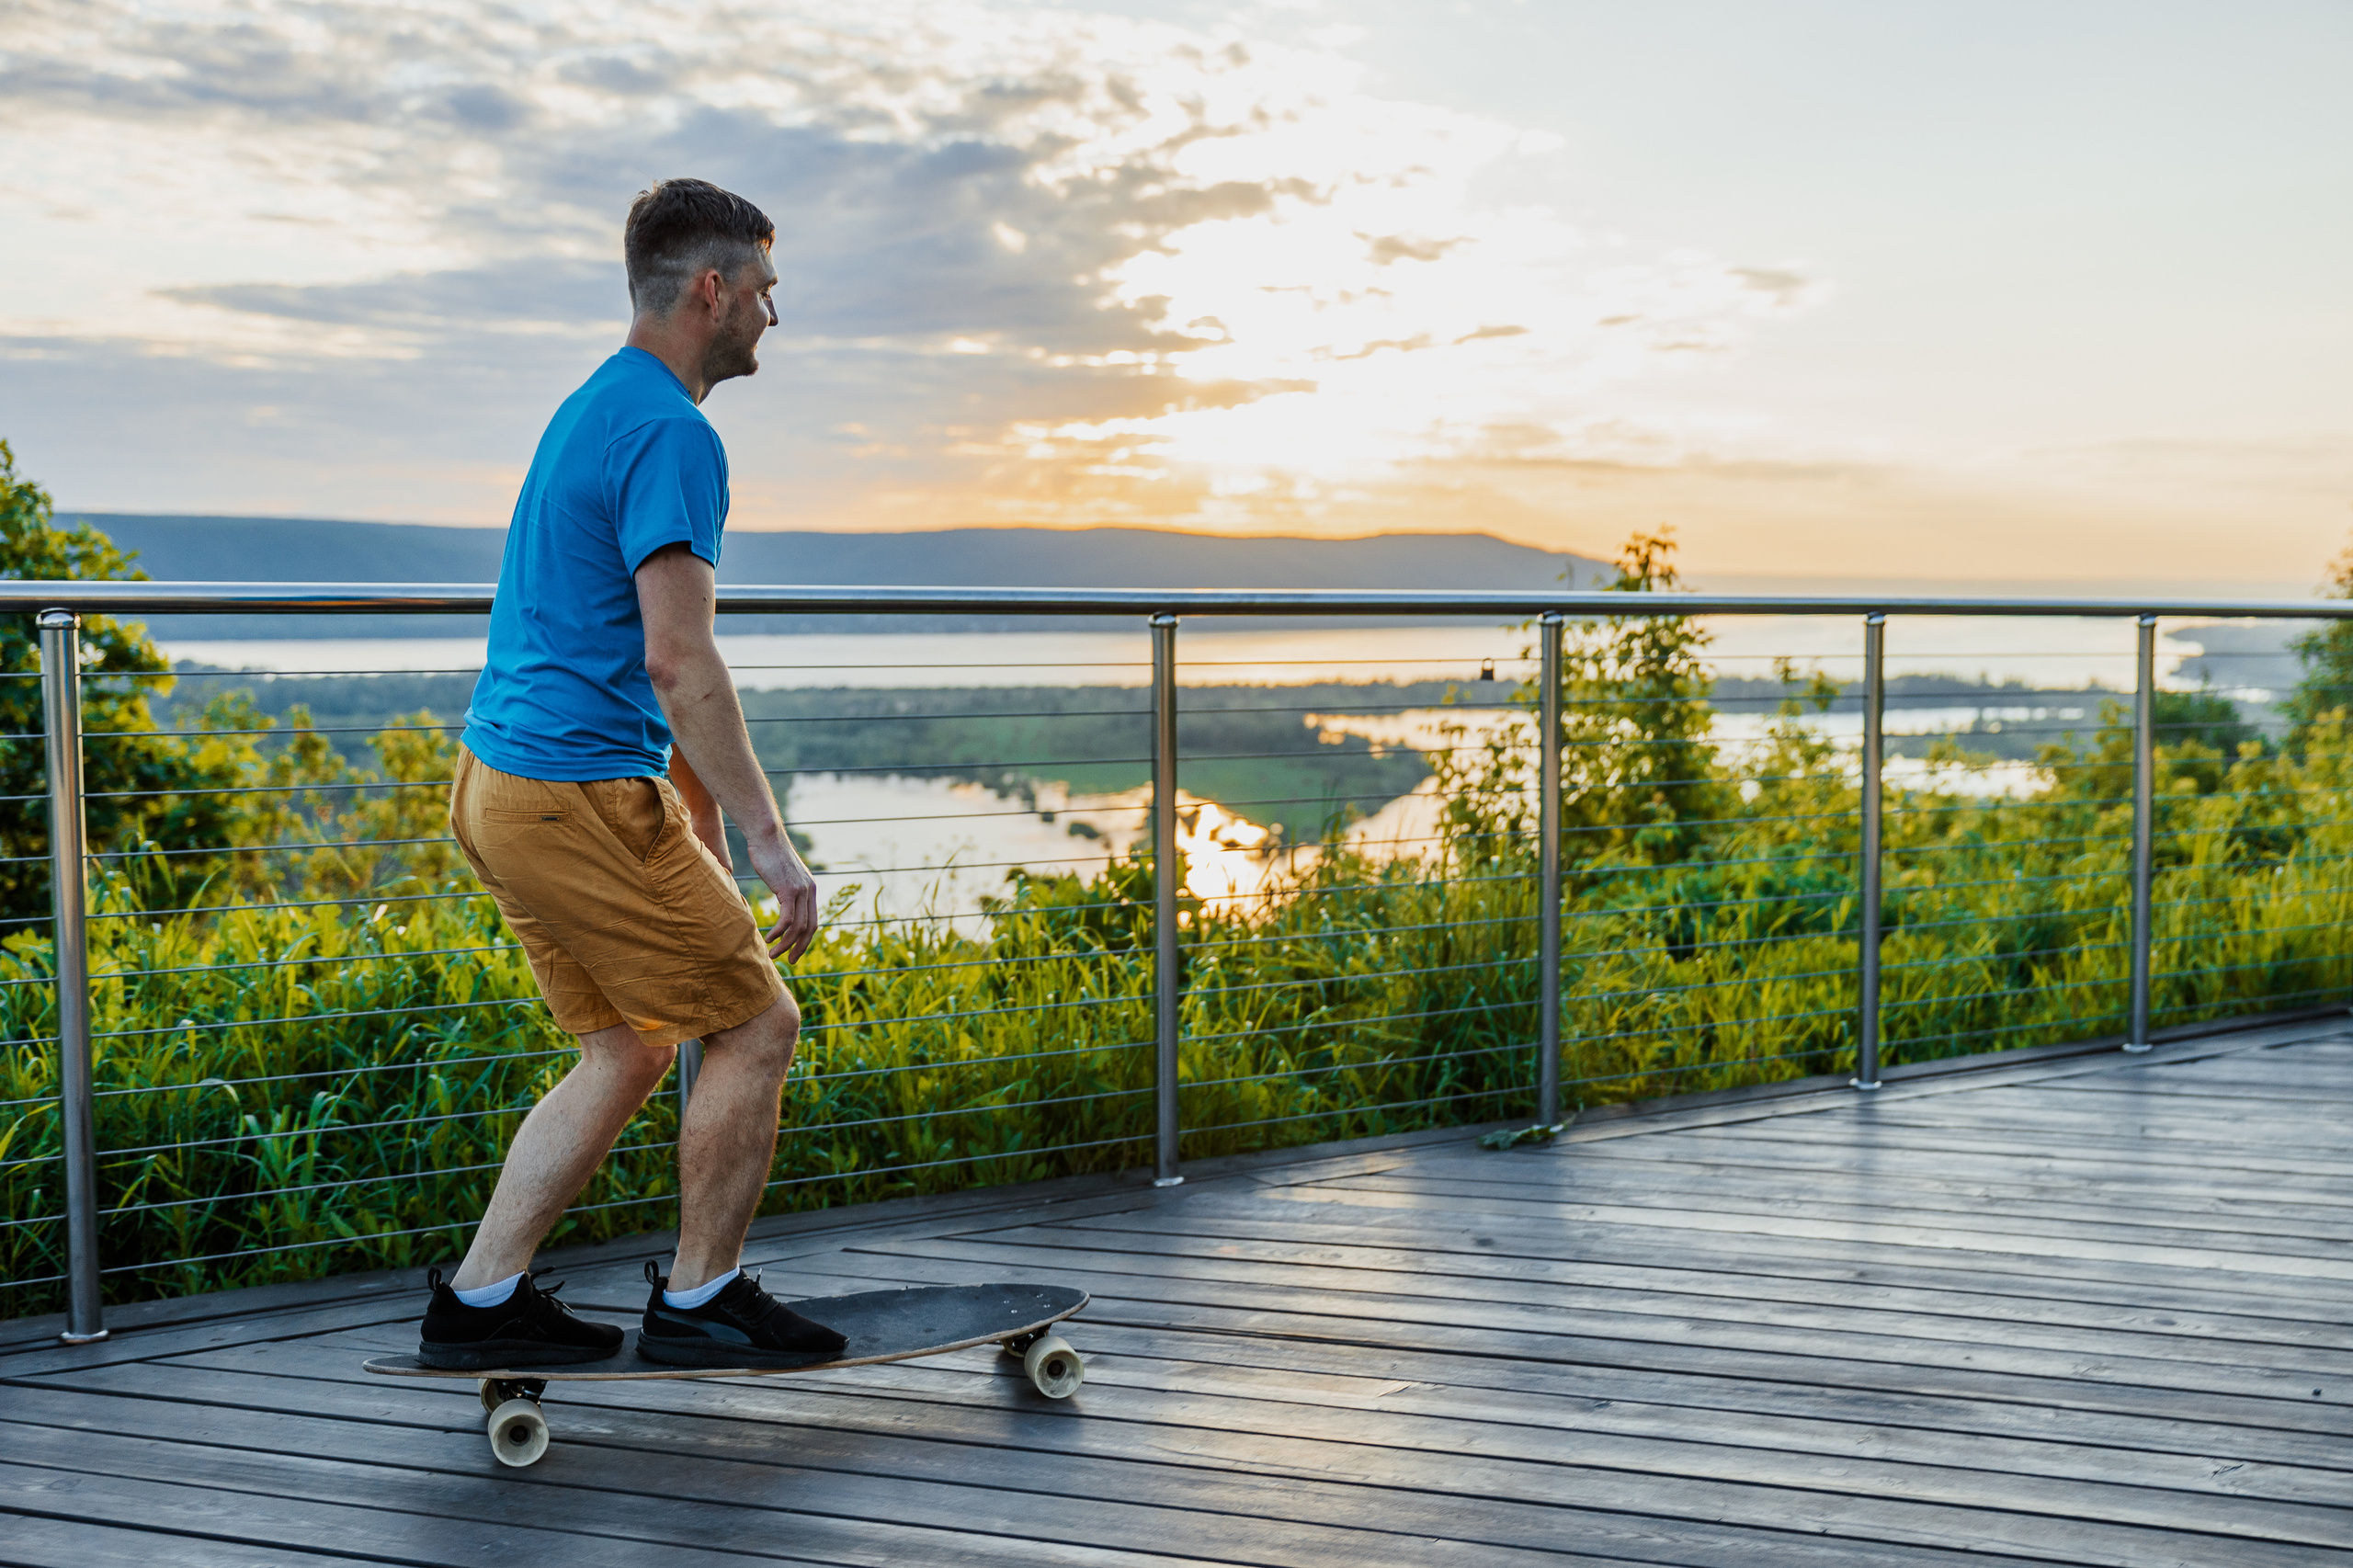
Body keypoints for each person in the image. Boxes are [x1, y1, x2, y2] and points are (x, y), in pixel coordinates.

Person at [415, 178, 845, 1370]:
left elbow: (613, 647)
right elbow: (675, 654)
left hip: (500, 788)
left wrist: (698, 821)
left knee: (631, 1043)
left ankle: (482, 1299)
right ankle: (703, 1299)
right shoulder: (672, 431)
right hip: (582, 795)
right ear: (711, 290)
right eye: (763, 290)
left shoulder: (596, 404)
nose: (773, 315)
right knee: (757, 1024)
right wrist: (768, 843)